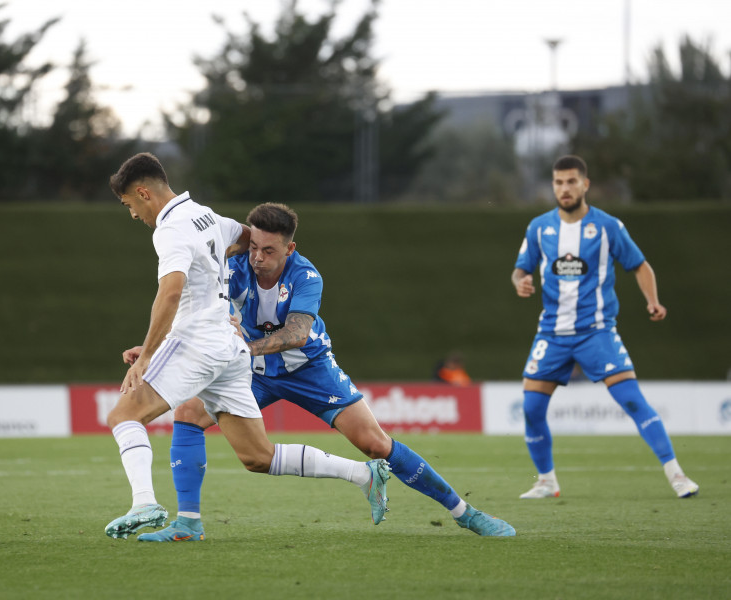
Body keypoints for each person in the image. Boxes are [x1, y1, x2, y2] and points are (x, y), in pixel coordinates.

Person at [136, 202, 515, 542]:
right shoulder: (234, 268)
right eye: (253, 247)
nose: (257, 257)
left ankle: (466, 514)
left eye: (269, 250)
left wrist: (239, 347)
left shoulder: (306, 276)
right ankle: (188, 524)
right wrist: (159, 347)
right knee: (187, 414)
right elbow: (197, 313)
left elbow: (297, 334)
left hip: (309, 369)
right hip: (249, 371)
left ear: (290, 249)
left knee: (376, 444)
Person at [103, 153, 392, 541]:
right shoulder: (204, 214)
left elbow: (170, 293)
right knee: (259, 457)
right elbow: (245, 238)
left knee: (124, 416)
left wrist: (152, 352)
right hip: (229, 347)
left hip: (197, 344)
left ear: (143, 193)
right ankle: (363, 474)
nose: (133, 215)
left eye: (129, 205)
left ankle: (144, 504)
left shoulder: (169, 229)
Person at [511, 154, 698, 499]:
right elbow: (520, 268)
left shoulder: (608, 226)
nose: (564, 189)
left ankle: (677, 476)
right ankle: (546, 481)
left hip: (596, 331)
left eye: (570, 181)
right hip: (552, 333)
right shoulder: (539, 227)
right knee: (532, 408)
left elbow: (640, 265)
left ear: (585, 184)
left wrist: (652, 301)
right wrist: (520, 281)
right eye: (558, 182)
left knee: (632, 400)